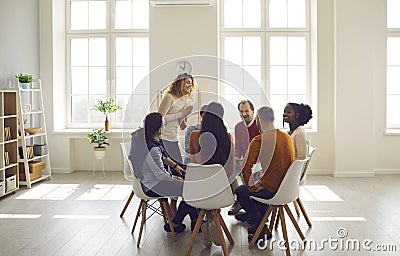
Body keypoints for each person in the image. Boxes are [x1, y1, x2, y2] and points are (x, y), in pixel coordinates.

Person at [129, 112, 198, 233]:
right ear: (158, 128)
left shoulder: (145, 140)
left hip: (146, 182)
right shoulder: (153, 148)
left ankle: (195, 222)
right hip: (153, 186)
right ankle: (177, 223)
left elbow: (163, 156)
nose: (165, 127)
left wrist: (175, 166)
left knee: (188, 188)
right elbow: (160, 175)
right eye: (164, 125)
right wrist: (175, 178)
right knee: (190, 190)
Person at [234, 106, 295, 242]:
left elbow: (245, 168)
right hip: (287, 188)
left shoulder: (259, 140)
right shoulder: (287, 137)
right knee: (258, 181)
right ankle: (258, 220)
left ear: (258, 120)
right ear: (273, 119)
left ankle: (260, 227)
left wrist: (253, 187)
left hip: (272, 190)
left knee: (241, 191)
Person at [189, 102, 234, 247]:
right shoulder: (227, 137)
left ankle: (207, 221)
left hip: (199, 192)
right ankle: (213, 221)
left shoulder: (194, 135)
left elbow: (194, 164)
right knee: (215, 186)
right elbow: (230, 170)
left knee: (202, 183)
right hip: (221, 191)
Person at [158, 73, 195, 214]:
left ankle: (173, 206)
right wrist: (180, 114)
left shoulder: (183, 100)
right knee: (171, 173)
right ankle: (169, 208)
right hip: (163, 140)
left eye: (191, 83)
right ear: (179, 83)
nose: (190, 85)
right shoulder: (169, 97)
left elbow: (183, 126)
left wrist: (185, 115)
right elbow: (159, 119)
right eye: (187, 83)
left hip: (174, 140)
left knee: (178, 173)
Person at [228, 100, 260, 215]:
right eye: (241, 111)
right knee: (229, 173)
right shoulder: (238, 127)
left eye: (247, 111)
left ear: (252, 111)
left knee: (248, 176)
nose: (244, 114)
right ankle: (238, 200)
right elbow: (238, 147)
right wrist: (236, 157)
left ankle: (248, 202)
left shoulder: (259, 125)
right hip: (244, 161)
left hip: (257, 163)